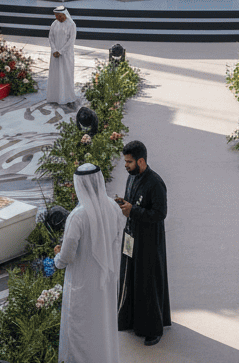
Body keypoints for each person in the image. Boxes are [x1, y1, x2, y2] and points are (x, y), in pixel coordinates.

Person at [52, 163, 126, 363]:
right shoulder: (113, 208)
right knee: (103, 328)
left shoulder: (77, 217)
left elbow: (66, 257)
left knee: (81, 334)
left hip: (83, 285)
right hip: (105, 284)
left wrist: (57, 258)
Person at [117, 139, 170, 346]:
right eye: (125, 161)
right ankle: (132, 320)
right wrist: (124, 205)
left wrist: (134, 211)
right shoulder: (131, 177)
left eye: (129, 162)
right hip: (131, 236)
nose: (125, 165)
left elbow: (160, 213)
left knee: (148, 283)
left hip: (149, 242)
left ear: (140, 161)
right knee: (131, 277)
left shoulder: (155, 183)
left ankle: (152, 329)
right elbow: (131, 202)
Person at [47, 4, 77, 106]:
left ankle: (67, 97)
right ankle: (54, 96)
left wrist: (61, 51)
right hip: (55, 55)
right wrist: (54, 50)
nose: (58, 18)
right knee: (55, 74)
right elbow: (51, 38)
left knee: (66, 74)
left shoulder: (71, 25)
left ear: (64, 15)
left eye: (59, 16)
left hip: (66, 55)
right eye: (56, 16)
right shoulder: (54, 24)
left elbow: (71, 41)